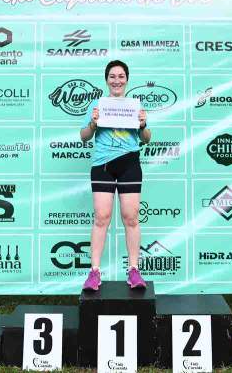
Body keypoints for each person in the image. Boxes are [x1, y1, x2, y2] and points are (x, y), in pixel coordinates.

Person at [80, 60, 151, 291]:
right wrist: (93, 123)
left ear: (127, 79)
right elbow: (84, 136)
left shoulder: (134, 105)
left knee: (131, 218)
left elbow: (146, 138)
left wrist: (143, 124)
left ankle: (133, 270)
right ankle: (94, 273)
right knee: (102, 217)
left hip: (129, 163)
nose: (117, 80)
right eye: (112, 76)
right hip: (103, 165)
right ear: (106, 79)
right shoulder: (97, 104)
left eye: (121, 76)